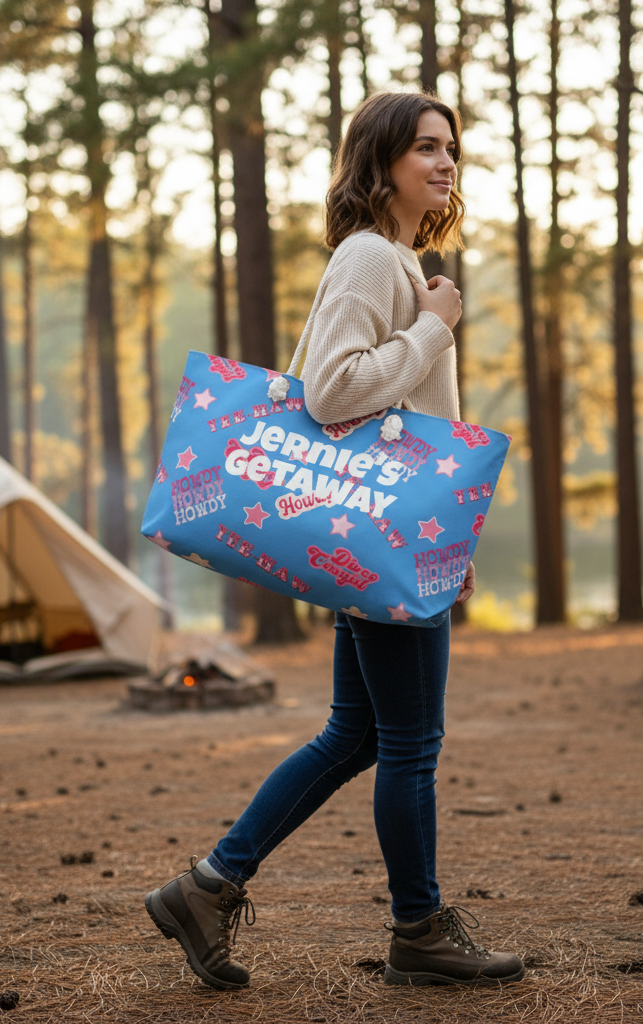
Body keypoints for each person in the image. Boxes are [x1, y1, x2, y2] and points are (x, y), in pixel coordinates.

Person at [144, 91, 524, 990]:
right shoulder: (370, 259)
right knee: (410, 743)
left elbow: (418, 420)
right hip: (377, 531)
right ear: (380, 160)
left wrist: (448, 542)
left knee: (355, 735)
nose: (444, 163)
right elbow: (330, 393)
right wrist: (435, 326)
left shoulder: (398, 258)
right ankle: (419, 929)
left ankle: (209, 886)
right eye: (425, 148)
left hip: (393, 533)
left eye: (451, 150)